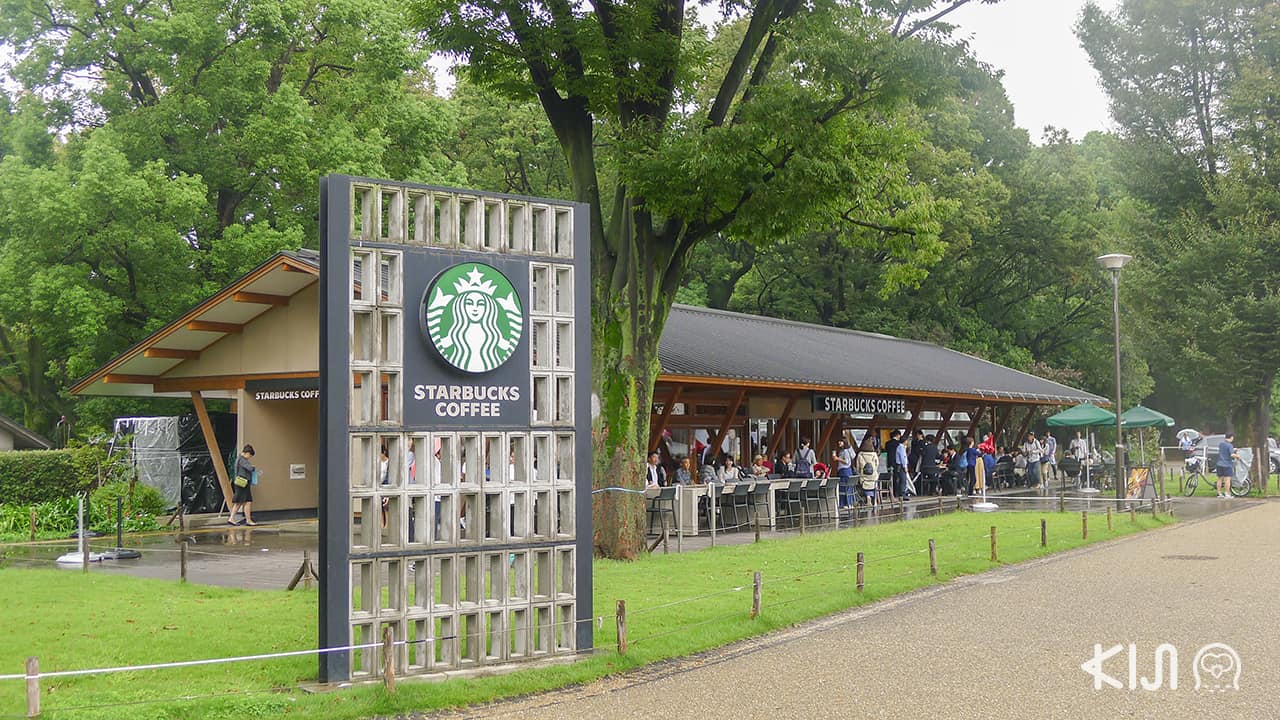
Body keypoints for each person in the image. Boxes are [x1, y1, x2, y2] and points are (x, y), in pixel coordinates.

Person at [230, 444, 257, 526]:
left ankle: (232, 518)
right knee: (246, 501)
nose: (249, 457)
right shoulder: (242, 460)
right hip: (243, 483)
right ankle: (247, 520)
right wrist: (253, 467)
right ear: (247, 453)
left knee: (240, 502)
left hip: (240, 483)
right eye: (250, 455)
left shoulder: (239, 459)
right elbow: (249, 468)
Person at [1216, 432, 1240, 498]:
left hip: (1219, 464)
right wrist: (1237, 456)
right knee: (1227, 480)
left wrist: (1233, 449)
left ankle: (1219, 493)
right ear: (1231, 437)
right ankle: (1227, 494)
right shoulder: (1230, 445)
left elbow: (1224, 450)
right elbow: (1231, 454)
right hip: (1227, 464)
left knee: (1220, 479)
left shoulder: (1221, 444)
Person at [833, 438, 855, 508]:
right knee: (846, 487)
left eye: (841, 441)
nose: (839, 442)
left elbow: (847, 462)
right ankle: (849, 503)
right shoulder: (843, 451)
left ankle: (846, 504)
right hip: (846, 471)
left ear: (844, 442)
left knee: (844, 487)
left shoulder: (845, 451)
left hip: (845, 471)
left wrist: (837, 458)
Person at [892, 430, 911, 499]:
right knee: (903, 479)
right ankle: (902, 494)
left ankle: (901, 493)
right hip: (901, 466)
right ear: (905, 441)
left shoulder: (901, 447)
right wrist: (905, 466)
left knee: (902, 479)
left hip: (899, 465)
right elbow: (903, 458)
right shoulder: (901, 447)